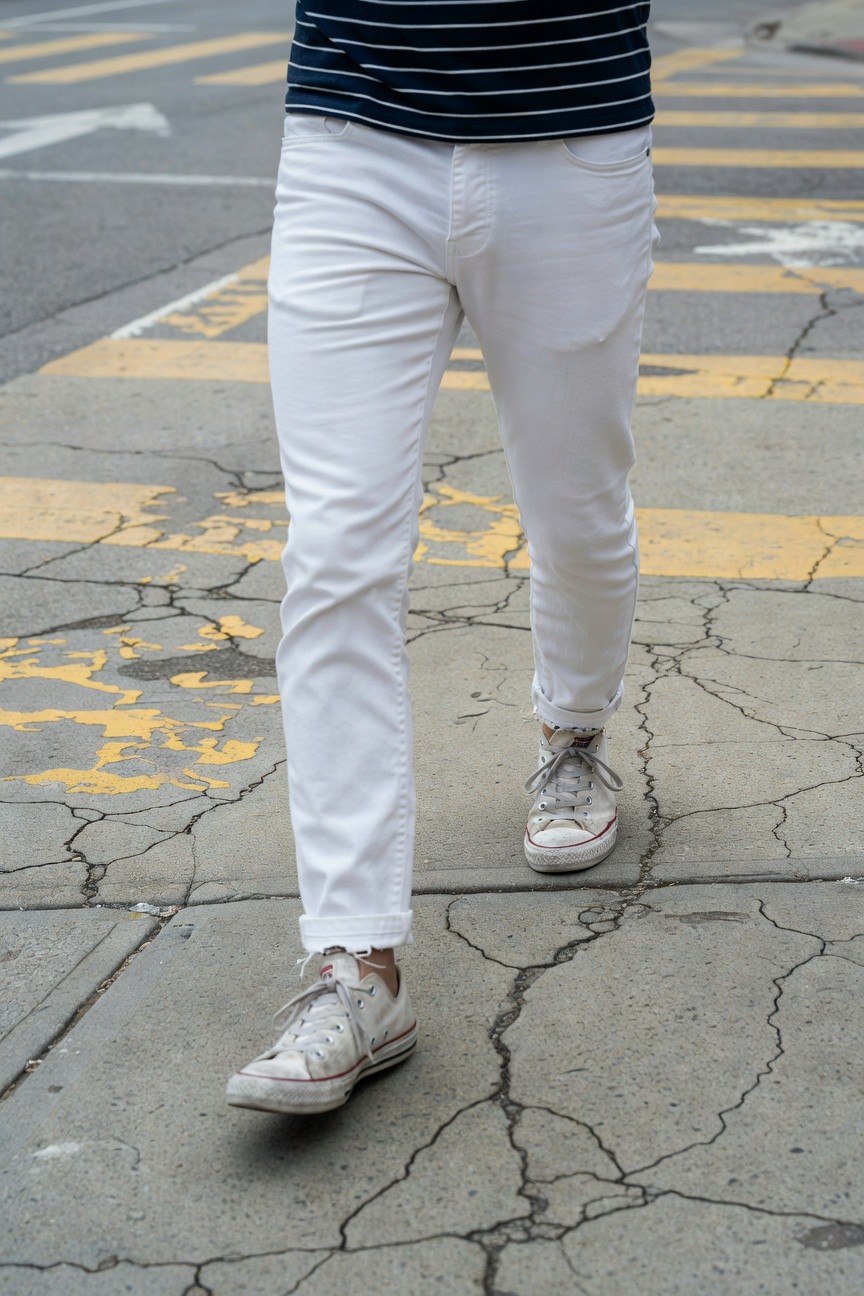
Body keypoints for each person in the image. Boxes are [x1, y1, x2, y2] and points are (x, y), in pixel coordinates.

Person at [227, 0, 657, 1115]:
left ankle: (574, 733)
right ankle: (355, 965)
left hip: (571, 133)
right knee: (335, 553)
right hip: (352, 136)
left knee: (576, 513)